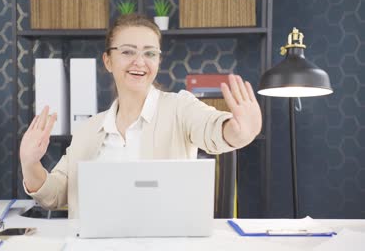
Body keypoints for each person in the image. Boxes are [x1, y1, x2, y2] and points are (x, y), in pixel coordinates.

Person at [19, 14, 262, 218]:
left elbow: (212, 129)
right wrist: (30, 163)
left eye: (150, 53)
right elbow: (54, 194)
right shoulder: (87, 129)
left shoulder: (180, 107)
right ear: (108, 60)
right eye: (127, 52)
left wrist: (238, 132)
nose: (140, 62)